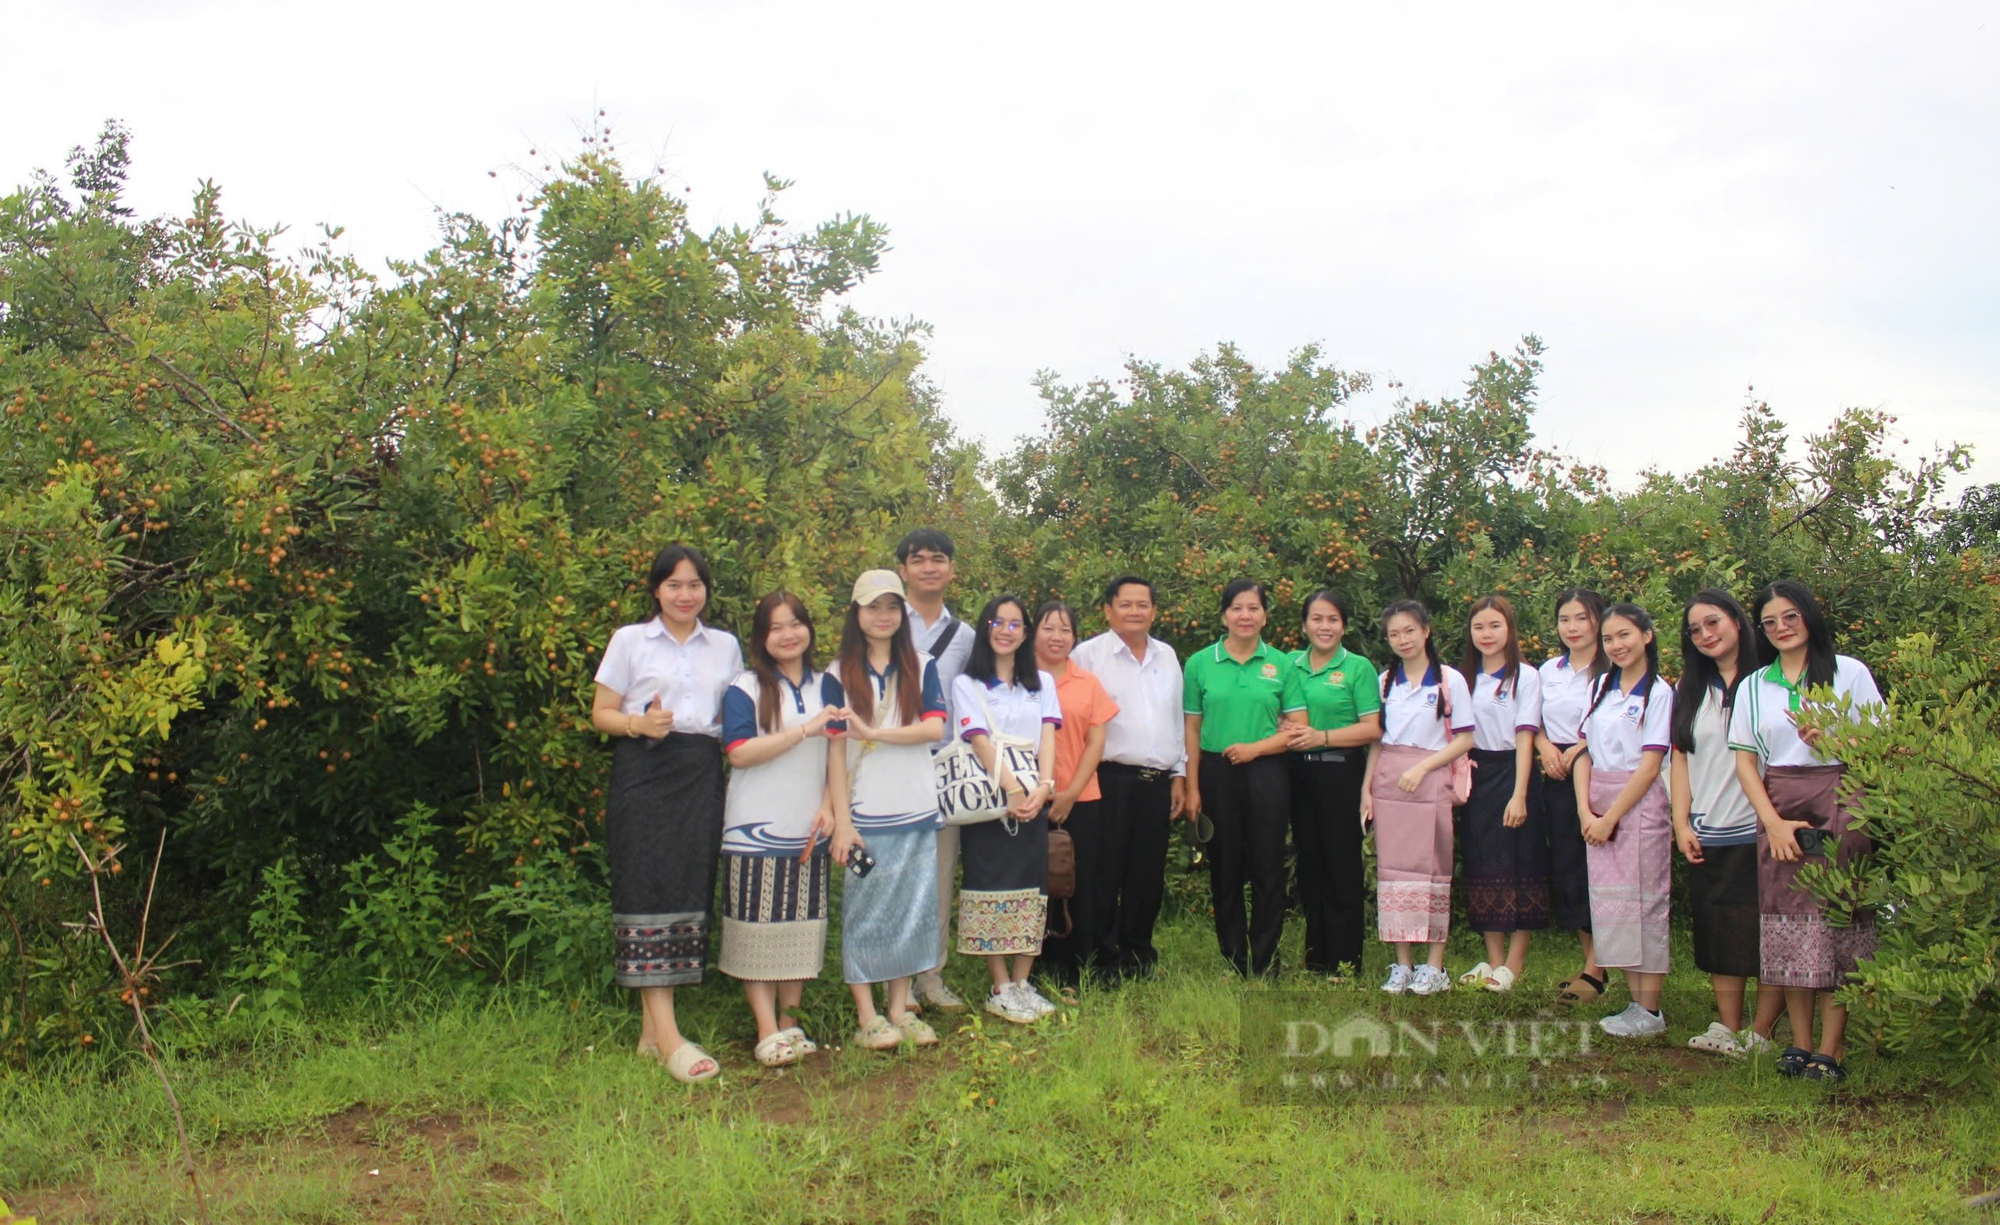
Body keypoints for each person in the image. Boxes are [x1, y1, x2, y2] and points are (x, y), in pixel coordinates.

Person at [589, 544, 742, 1082]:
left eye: (695, 584)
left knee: (685, 886)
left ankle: (652, 1034)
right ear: (656, 589)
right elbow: (600, 713)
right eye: (674, 584)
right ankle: (672, 1037)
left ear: (706, 590)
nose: (685, 594)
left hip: (701, 772)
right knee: (646, 886)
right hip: (644, 769)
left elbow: (737, 716)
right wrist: (638, 726)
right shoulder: (631, 640)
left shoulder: (724, 646)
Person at [1729, 580, 1884, 1083]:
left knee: (1838, 918)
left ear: (1810, 617)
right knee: (1789, 922)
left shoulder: (1849, 673)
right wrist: (1770, 821)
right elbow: (1747, 762)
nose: (1780, 629)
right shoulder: (1754, 685)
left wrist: (1835, 736)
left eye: (1790, 617)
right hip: (1780, 804)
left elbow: (1882, 746)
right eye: (1769, 622)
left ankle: (1832, 1049)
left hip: (1842, 798)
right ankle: (1800, 1042)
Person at [825, 570, 949, 1051]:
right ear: (856, 613)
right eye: (873, 607)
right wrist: (842, 821)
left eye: (892, 607)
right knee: (865, 914)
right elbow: (835, 752)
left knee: (911, 913)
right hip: (865, 813)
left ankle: (900, 1009)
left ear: (903, 613)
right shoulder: (837, 674)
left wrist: (874, 732)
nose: (883, 616)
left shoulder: (923, 664)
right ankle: (867, 1015)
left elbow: (934, 729)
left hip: (916, 806)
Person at [716, 592, 842, 1068]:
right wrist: (803, 731)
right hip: (753, 828)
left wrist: (831, 806)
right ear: (761, 637)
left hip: (809, 826)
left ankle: (792, 1022)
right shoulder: (745, 686)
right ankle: (766, 1029)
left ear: (808, 628)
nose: (788, 634)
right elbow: (739, 751)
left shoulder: (828, 683)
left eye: (796, 623)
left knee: (800, 928)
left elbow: (840, 751)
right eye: (776, 627)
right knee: (758, 927)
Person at [1671, 589, 1783, 1058]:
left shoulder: (1771, 680)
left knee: (1774, 931)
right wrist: (1681, 821)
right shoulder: (1690, 688)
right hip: (1709, 827)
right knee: (1720, 930)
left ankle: (1762, 1032)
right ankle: (1728, 1026)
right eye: (1695, 629)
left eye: (1713, 622)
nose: (1705, 635)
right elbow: (1679, 757)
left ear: (1739, 622)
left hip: (1765, 828)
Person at [1183, 580, 1308, 977]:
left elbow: (1298, 728)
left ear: (1265, 615)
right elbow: (1190, 730)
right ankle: (1234, 957)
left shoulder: (1282, 664)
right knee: (1225, 865)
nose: (1245, 616)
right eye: (1237, 608)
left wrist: (1256, 749)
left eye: (1253, 608)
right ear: (1224, 615)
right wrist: (1191, 786)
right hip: (1215, 771)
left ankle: (1266, 957)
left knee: (1268, 864)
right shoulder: (1201, 662)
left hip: (1267, 769)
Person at [951, 595, 1063, 1023]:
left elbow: (1048, 736)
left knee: (1032, 886)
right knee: (991, 884)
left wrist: (1044, 787)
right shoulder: (968, 683)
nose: (1006, 630)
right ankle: (998, 986)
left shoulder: (1041, 684)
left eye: (1016, 624)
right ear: (985, 628)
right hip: (988, 798)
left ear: (1025, 633)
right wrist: (1011, 790)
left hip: (1033, 795)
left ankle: (1022, 982)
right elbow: (977, 739)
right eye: (998, 622)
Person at [1070, 576, 1188, 979]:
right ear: (1108, 610)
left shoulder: (1167, 656)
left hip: (1157, 782)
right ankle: (1104, 957)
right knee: (1106, 870)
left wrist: (1180, 774)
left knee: (1147, 872)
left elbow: (1175, 720)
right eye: (1126, 604)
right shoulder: (1088, 655)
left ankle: (1139, 954)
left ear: (1154, 611)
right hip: (1108, 779)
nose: (1135, 611)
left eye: (1143, 604)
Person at [1573, 602, 1675, 1037]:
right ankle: (1635, 1006)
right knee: (1616, 905)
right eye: (1609, 638)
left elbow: (1651, 766)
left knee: (1645, 903)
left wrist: (1611, 816)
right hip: (1597, 808)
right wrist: (1586, 812)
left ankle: (1650, 1011)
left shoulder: (1660, 693)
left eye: (1625, 635)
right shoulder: (1600, 687)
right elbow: (1584, 752)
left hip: (1638, 808)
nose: (1616, 645)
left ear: (1647, 636)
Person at [1363, 600, 1474, 996]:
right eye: (1394, 633)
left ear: (1426, 630)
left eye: (1409, 630)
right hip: (1390, 780)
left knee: (1434, 869)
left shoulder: (1449, 680)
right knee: (1393, 873)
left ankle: (1434, 967)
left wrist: (1425, 768)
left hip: (1430, 778)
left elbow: (1464, 737)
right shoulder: (1383, 681)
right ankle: (1402, 965)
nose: (1403, 639)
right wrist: (1367, 789)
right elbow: (1376, 741)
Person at [1283, 591, 1382, 981]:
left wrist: (1321, 736)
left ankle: (1346, 963)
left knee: (1340, 866)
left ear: (1345, 626)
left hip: (1341, 773)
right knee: (1309, 866)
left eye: (1333, 620)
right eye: (1317, 619)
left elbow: (1373, 728)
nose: (1325, 627)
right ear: (1304, 624)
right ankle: (1316, 959)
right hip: (1297, 773)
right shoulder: (1287, 664)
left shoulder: (1357, 668)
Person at [897, 528, 976, 1014]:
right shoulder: (884, 620)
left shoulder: (965, 635)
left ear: (951, 569)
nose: (929, 567)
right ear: (903, 569)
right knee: (897, 874)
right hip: (891, 764)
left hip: (946, 770)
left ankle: (931, 974)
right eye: (919, 559)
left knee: (941, 873)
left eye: (938, 559)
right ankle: (896, 979)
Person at [1455, 595, 1548, 994]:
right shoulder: (1462, 678)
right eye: (1479, 627)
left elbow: (1526, 736)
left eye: (1495, 625)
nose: (1487, 634)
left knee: (1522, 864)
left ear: (1509, 629)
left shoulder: (1525, 676)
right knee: (1482, 866)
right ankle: (1493, 962)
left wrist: (1520, 794)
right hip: (1476, 775)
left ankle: (1515, 962)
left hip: (1514, 770)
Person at [1031, 599, 1119, 988]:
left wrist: (1069, 793)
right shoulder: (1016, 680)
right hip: (1024, 801)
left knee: (1077, 883)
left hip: (1081, 799)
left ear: (1075, 637)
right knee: (1031, 884)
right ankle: (1029, 966)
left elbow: (1095, 744)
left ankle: (1073, 966)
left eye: (1065, 629)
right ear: (1034, 632)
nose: (1057, 636)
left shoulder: (1088, 683)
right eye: (1049, 628)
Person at [1535, 587, 1610, 1006]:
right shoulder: (1549, 670)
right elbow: (1532, 722)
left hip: (1603, 776)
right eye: (1565, 619)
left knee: (1601, 868)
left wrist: (1580, 747)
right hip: (1557, 776)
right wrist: (1546, 748)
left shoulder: (1613, 667)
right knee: (1570, 869)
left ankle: (1598, 969)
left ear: (1598, 620)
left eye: (1581, 618)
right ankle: (1590, 962)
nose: (1573, 627)